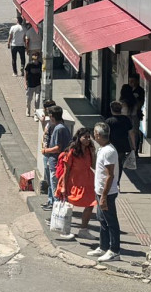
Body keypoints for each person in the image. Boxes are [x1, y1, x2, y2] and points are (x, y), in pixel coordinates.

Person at [55, 127, 97, 240]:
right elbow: (66, 170)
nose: (88, 139)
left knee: (91, 204)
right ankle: (64, 230)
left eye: (89, 137)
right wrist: (63, 186)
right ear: (79, 138)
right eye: (85, 137)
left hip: (87, 181)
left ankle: (83, 230)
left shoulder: (89, 150)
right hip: (72, 182)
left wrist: (93, 153)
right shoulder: (72, 151)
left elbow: (93, 166)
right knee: (67, 206)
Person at [90, 121, 122, 261]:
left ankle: (114, 250)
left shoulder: (109, 151)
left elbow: (110, 175)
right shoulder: (102, 149)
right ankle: (103, 246)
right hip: (100, 191)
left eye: (94, 133)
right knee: (102, 219)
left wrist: (103, 196)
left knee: (111, 222)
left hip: (107, 193)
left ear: (97, 134)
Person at [40, 106, 71, 210]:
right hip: (58, 163)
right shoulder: (63, 127)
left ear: (52, 116)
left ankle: (56, 211)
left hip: (56, 163)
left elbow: (58, 148)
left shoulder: (58, 129)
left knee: (55, 189)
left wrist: (45, 151)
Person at [104, 101, 134, 171]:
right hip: (123, 145)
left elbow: (105, 134)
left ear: (111, 110)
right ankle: (117, 180)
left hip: (111, 145)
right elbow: (131, 133)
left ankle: (112, 178)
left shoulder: (108, 121)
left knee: (110, 163)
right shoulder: (126, 119)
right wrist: (133, 145)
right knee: (119, 164)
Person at [23, 51, 43, 117]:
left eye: (37, 55)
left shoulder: (40, 64)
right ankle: (28, 110)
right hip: (30, 85)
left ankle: (36, 113)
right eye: (34, 55)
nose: (36, 57)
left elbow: (42, 73)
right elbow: (26, 74)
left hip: (37, 85)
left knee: (37, 100)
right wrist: (25, 83)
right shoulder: (29, 65)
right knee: (29, 99)